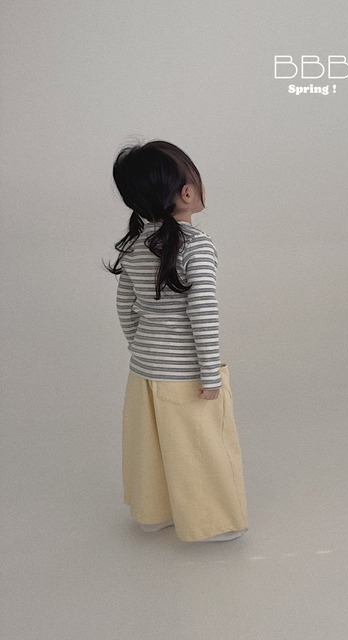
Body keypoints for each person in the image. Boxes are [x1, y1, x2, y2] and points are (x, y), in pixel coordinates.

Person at [103, 139, 248, 542]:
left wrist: (140, 348)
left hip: (143, 371)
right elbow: (203, 315)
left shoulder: (135, 246)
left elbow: (125, 307)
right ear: (187, 192)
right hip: (186, 375)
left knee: (148, 446)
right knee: (200, 448)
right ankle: (212, 523)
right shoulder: (196, 246)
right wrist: (210, 374)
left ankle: (152, 514)